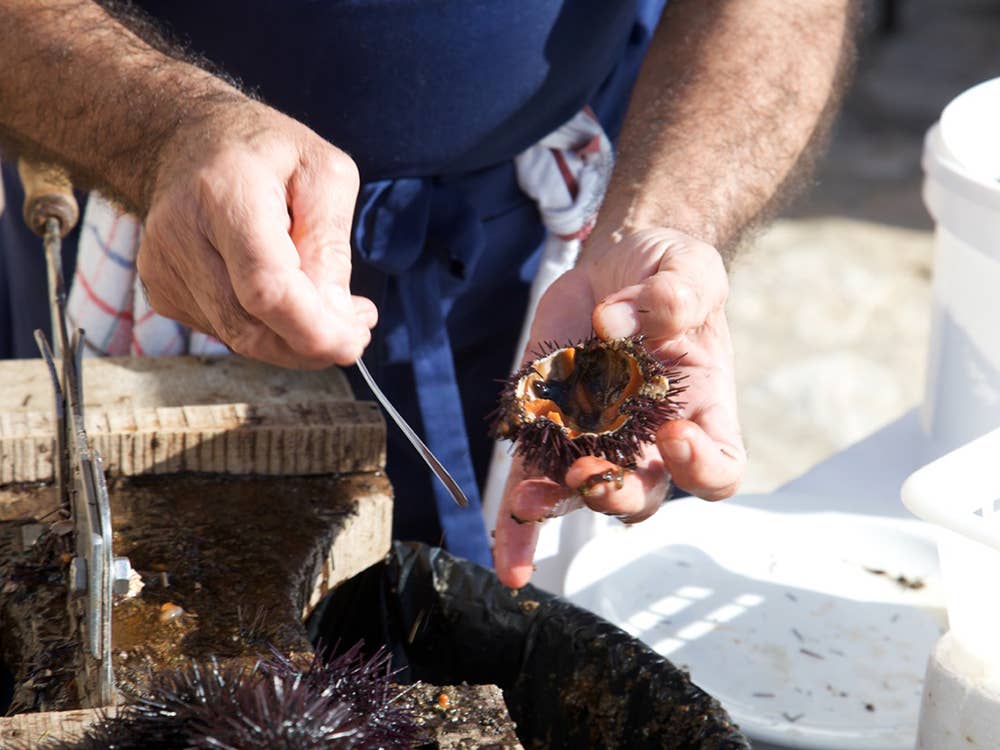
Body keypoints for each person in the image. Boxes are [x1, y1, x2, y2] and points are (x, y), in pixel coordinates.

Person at [0, 0, 858, 588]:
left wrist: (668, 219)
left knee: (509, 626)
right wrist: (155, 133)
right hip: (159, 213)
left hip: (557, 251)